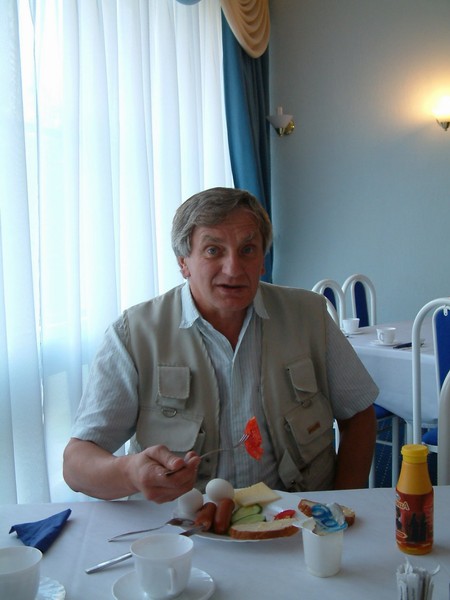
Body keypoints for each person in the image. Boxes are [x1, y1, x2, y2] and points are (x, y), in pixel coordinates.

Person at [63, 187, 378, 504]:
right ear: (183, 263)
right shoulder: (134, 335)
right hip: (183, 525)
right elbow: (76, 463)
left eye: (248, 250)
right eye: (213, 250)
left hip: (298, 520)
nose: (234, 269)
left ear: (263, 261)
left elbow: (358, 415)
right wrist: (130, 473)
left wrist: (342, 505)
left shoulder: (309, 315)